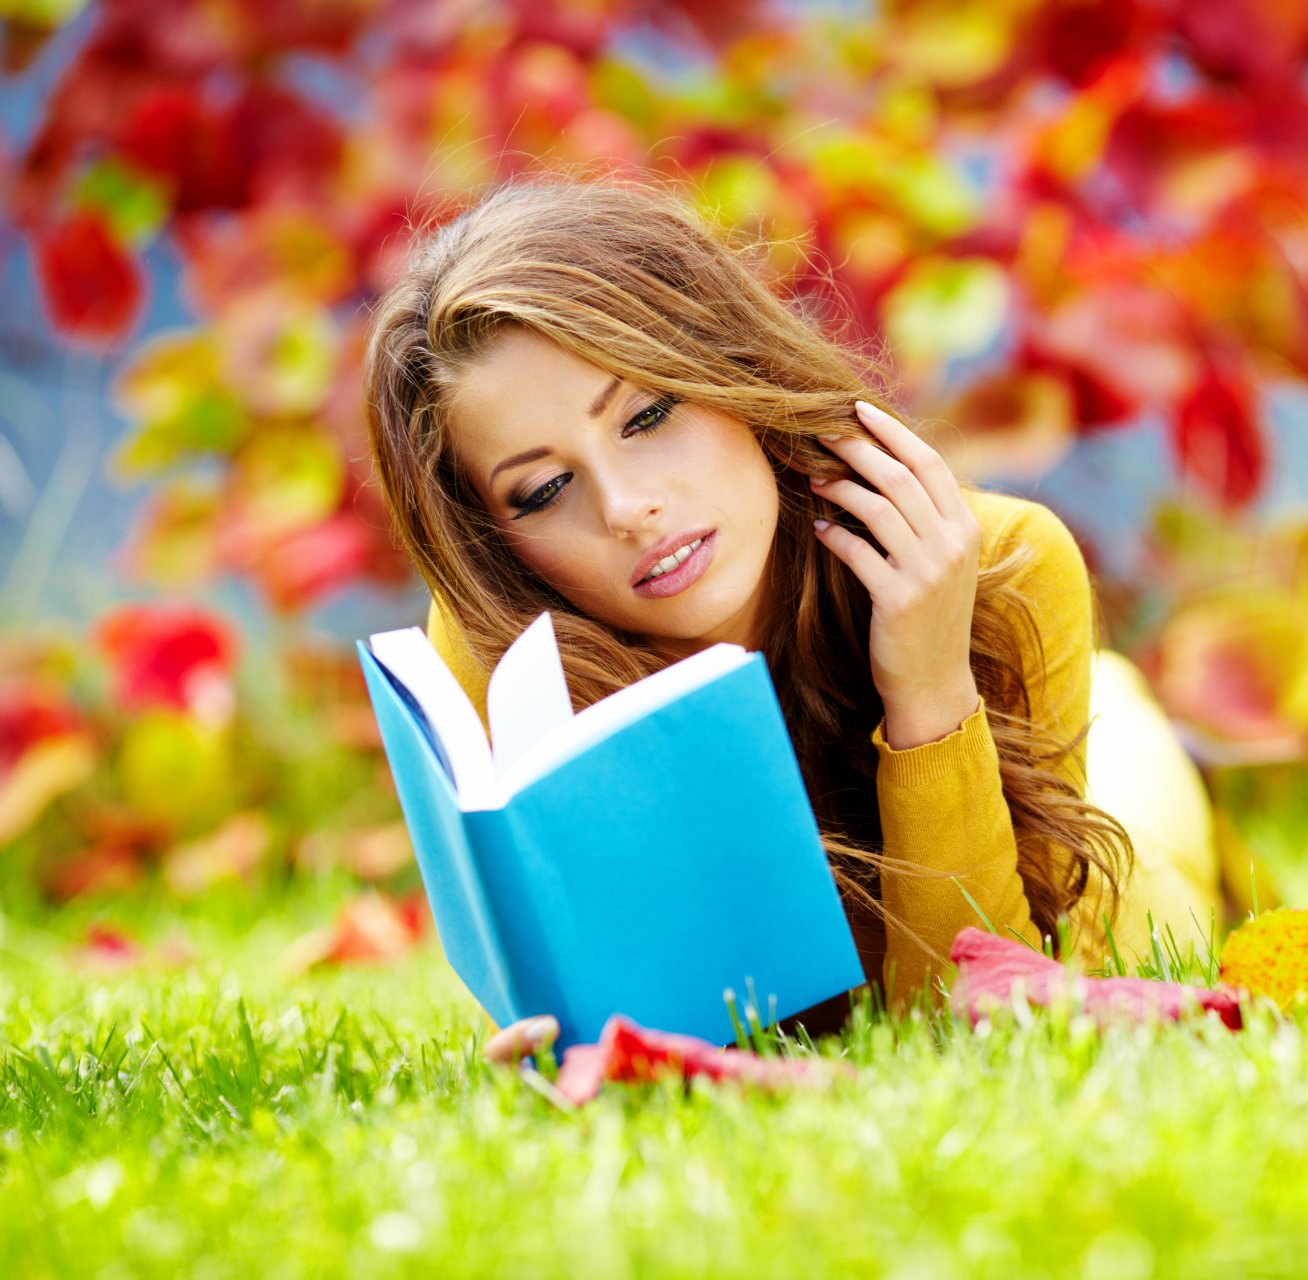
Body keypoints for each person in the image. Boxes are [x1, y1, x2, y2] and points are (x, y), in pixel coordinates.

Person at [360, 174, 1240, 1045]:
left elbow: (978, 1028)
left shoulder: (1002, 565)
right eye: (544, 488)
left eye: (650, 413)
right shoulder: (506, 659)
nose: (626, 507)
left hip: (1120, 879)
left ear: (732, 367)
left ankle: (1124, 706)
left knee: (1151, 823)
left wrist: (930, 692)